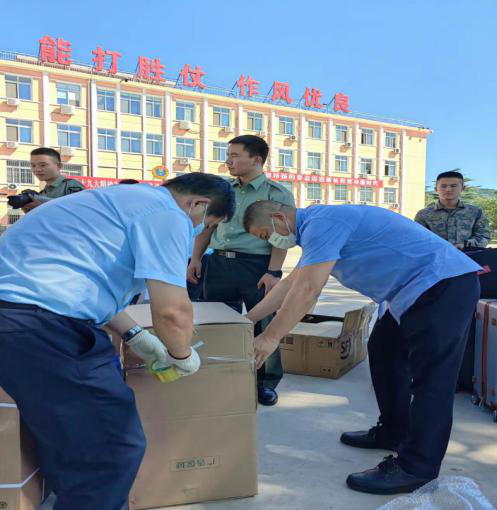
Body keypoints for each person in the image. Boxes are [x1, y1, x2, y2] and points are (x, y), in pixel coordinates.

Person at [0, 173, 235, 510]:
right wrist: (182, 355)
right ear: (197, 204)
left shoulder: (118, 200)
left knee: (71, 439)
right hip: (45, 328)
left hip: (20, 322)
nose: (199, 231)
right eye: (206, 224)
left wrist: (136, 336)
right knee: (111, 448)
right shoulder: (167, 214)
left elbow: (86, 285)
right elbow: (172, 311)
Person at [242, 200, 481, 495]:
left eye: (266, 235)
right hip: (414, 291)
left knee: (432, 380)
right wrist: (247, 321)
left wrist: (271, 337)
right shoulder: (318, 228)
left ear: (279, 217)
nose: (272, 242)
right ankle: (393, 431)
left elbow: (308, 290)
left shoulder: (324, 222)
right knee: (383, 351)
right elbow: (290, 285)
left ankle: (416, 468)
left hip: (441, 284)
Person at [187, 135, 295, 406]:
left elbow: (281, 236)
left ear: (256, 160)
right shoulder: (224, 190)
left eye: (234, 155)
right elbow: (209, 226)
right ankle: (220, 377)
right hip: (219, 263)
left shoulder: (276, 193)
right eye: (228, 155)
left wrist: (274, 272)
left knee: (263, 323)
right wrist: (196, 258)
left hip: (257, 266)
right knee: (216, 323)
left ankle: (265, 383)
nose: (228, 161)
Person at [415, 170, 490, 249]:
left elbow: (484, 236)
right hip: (436, 255)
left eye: (453, 186)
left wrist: (465, 245)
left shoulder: (476, 212)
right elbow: (418, 239)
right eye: (443, 186)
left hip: (467, 255)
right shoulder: (423, 214)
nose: (448, 189)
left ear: (463, 188)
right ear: (436, 189)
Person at [21, 147, 86, 213]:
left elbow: (81, 213)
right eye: (33, 165)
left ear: (59, 166)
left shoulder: (71, 186)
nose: (37, 169)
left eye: (43, 165)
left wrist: (42, 208)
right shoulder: (42, 193)